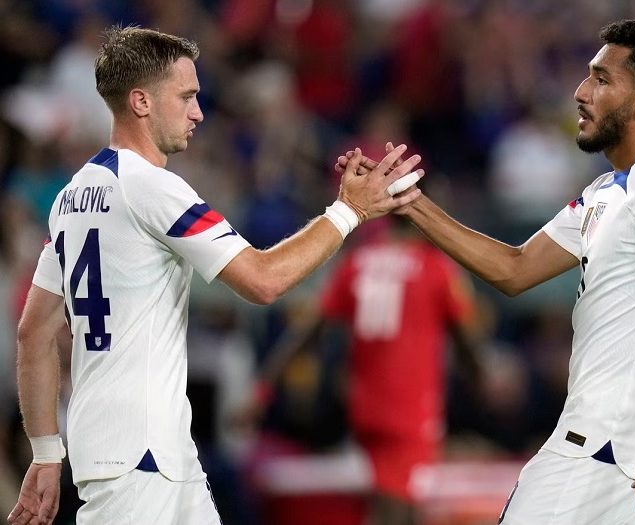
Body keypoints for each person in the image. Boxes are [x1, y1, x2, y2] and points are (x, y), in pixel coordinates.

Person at [8, 25, 423, 525]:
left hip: (153, 455)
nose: (198, 112)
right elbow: (263, 279)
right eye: (185, 97)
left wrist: (47, 451)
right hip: (141, 463)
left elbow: (34, 334)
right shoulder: (154, 188)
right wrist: (347, 212)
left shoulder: (71, 198)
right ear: (141, 101)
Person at [339, 19, 635, 524]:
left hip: (606, 448)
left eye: (601, 79)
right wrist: (410, 203)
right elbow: (514, 268)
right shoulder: (606, 192)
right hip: (608, 447)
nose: (581, 92)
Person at [257, 215, 484, 525]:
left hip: (364, 407)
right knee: (398, 511)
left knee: (394, 505)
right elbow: (465, 340)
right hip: (411, 409)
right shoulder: (435, 266)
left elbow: (310, 332)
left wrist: (264, 388)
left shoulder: (357, 261)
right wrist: (481, 380)